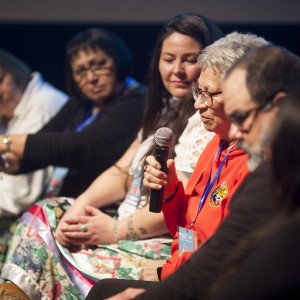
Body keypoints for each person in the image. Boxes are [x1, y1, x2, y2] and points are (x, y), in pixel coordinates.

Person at [0, 13, 223, 300]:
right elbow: (121, 172)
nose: (177, 70)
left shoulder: (205, 121)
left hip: (160, 239)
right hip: (122, 221)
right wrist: (79, 207)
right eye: (169, 59)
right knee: (47, 213)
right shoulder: (162, 109)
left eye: (189, 59)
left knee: (42, 236)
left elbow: (189, 204)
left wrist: (115, 230)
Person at [94, 45, 300, 300]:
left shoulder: (260, 168)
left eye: (209, 94)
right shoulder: (215, 144)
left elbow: (221, 258)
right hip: (181, 269)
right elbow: (187, 225)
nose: (198, 104)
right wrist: (170, 192)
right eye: (198, 92)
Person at [0, 28, 147, 198]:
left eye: (99, 65)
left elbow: (82, 146)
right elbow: (40, 146)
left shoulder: (138, 100)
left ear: (119, 61)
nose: (91, 77)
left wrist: (6, 141)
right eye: (81, 71)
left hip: (107, 210)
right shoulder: (82, 103)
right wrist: (9, 162)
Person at [209, 89, 300, 300]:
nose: (235, 133)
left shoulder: (288, 236)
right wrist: (170, 193)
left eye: (242, 117)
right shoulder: (214, 148)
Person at [0, 47, 68, 267]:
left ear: (13, 72)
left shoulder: (42, 103)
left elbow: (19, 196)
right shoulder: (13, 107)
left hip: (38, 220)